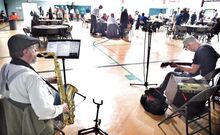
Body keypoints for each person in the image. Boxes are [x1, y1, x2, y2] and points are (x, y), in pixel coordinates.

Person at [0, 34, 69, 133]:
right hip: (34, 119)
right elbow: (43, 111)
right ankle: (58, 121)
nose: (36, 53)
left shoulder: (6, 67)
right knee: (64, 91)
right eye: (34, 50)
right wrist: (62, 108)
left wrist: (47, 80)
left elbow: (19, 81)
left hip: (13, 116)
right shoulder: (32, 78)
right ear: (25, 52)